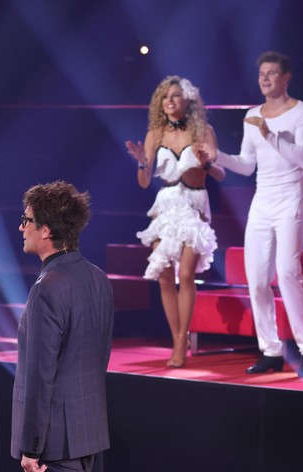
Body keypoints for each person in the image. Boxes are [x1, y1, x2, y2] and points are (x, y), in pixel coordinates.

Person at [195, 51, 303, 377]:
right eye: (262, 73)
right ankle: (271, 350)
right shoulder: (252, 115)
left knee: (288, 271)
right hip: (262, 202)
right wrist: (216, 155)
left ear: (286, 77)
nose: (265, 78)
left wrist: (269, 134)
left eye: (272, 73)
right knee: (257, 279)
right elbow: (247, 164)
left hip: (291, 198)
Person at [12, 181, 115, 472]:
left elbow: (41, 377)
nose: (21, 227)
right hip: (89, 434)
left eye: (27, 220)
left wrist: (31, 446)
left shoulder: (46, 289)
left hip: (54, 445)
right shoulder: (98, 277)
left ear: (46, 230)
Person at [125, 76, 225, 368]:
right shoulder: (155, 133)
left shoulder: (204, 131)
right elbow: (145, 182)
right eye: (165, 97)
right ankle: (177, 338)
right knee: (165, 276)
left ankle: (182, 342)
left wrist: (207, 162)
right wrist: (142, 162)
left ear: (188, 101)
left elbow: (220, 174)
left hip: (194, 205)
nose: (169, 101)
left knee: (187, 274)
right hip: (166, 207)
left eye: (175, 96)